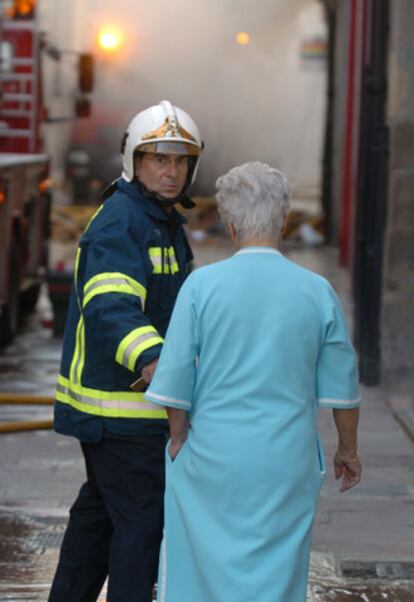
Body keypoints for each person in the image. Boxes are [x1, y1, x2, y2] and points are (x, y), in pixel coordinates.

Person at [144, 162, 362, 602]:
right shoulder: (316, 290)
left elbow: (175, 376)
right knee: (279, 567)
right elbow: (342, 386)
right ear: (284, 221)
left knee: (199, 562)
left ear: (228, 223)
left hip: (213, 456)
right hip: (286, 458)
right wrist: (348, 450)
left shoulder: (201, 286)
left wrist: (178, 435)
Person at [49, 100, 203, 602]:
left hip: (121, 411)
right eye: (159, 158)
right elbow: (113, 308)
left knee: (99, 518)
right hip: (122, 412)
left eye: (180, 160)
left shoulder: (160, 221)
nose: (171, 171)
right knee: (140, 528)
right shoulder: (123, 222)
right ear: (134, 161)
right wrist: (158, 363)